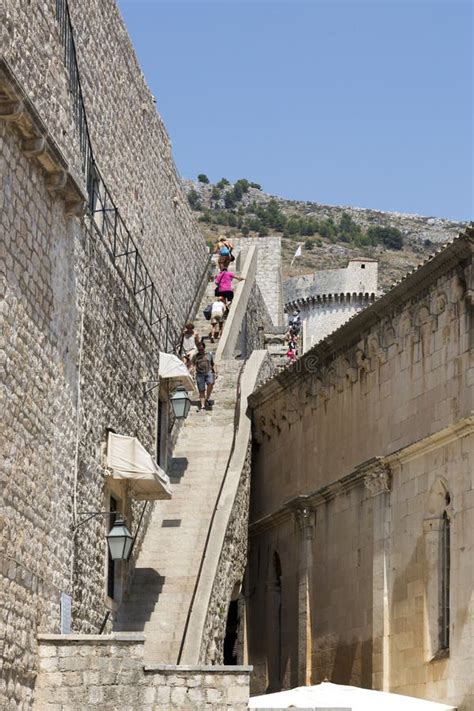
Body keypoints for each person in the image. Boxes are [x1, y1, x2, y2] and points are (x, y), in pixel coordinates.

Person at [193, 340, 217, 411]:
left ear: (204, 348)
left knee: (211, 383)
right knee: (201, 390)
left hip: (208, 372)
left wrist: (216, 372)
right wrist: (193, 373)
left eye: (201, 349)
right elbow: (193, 365)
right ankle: (202, 406)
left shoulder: (209, 355)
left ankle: (208, 397)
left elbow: (213, 364)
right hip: (199, 374)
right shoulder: (195, 357)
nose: (200, 351)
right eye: (199, 349)